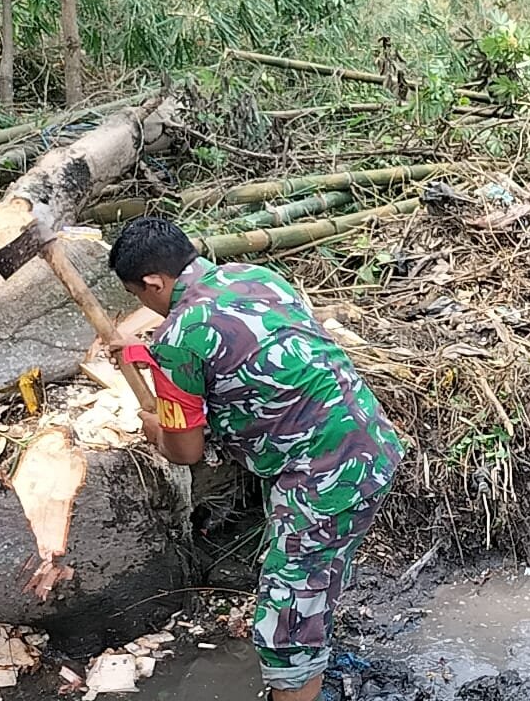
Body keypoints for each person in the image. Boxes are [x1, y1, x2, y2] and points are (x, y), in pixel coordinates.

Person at [106, 216, 402, 701]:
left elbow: (186, 451)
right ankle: (314, 650)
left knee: (286, 606)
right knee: (314, 574)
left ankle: (294, 684)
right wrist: (143, 352)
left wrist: (154, 425)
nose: (145, 306)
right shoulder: (252, 276)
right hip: (370, 442)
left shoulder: (179, 341)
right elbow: (233, 340)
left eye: (141, 297)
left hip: (324, 475)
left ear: (154, 282)